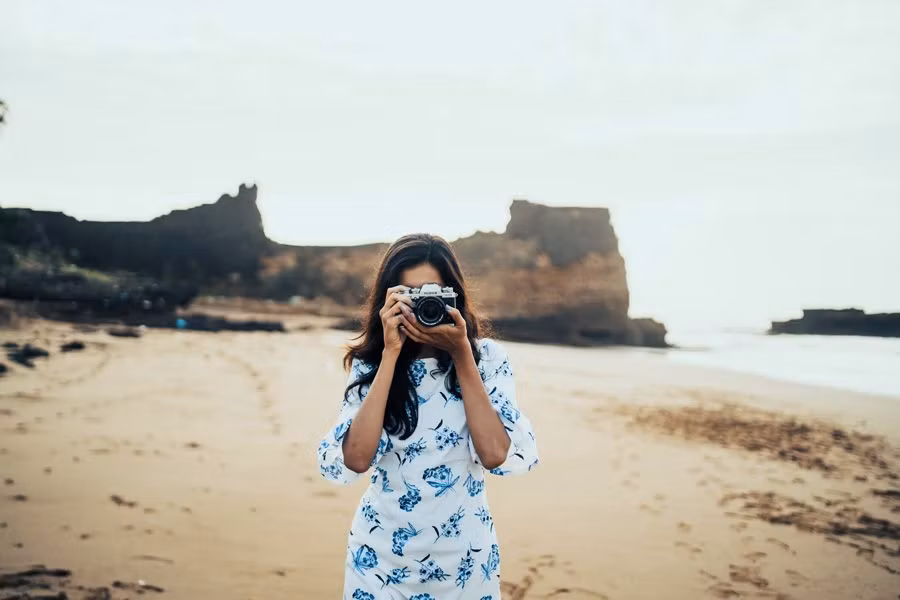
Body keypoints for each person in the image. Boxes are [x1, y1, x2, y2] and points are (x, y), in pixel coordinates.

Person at [317, 233, 539, 600]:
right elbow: (356, 458)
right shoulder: (371, 364)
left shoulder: (487, 359)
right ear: (388, 300)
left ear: (455, 297)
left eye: (434, 294)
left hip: (465, 561)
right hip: (379, 559)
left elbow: (495, 454)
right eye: (410, 296)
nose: (425, 306)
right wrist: (390, 353)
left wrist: (462, 354)